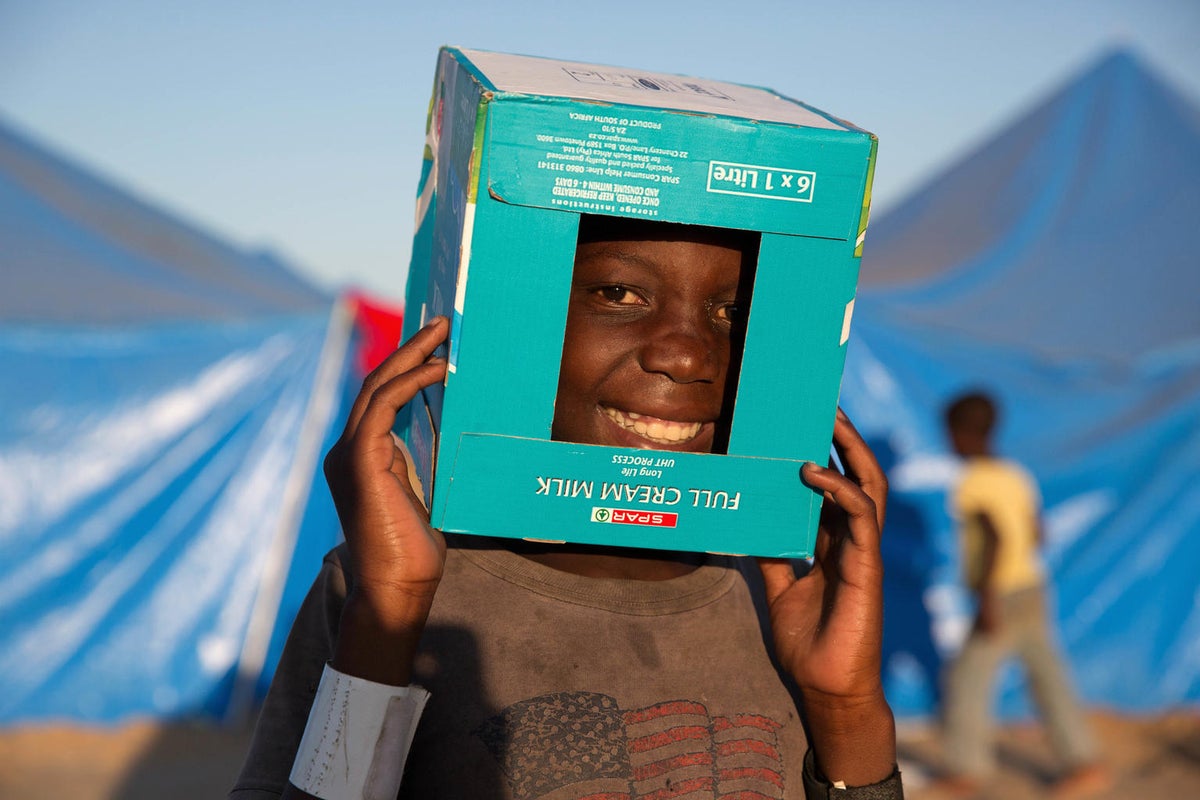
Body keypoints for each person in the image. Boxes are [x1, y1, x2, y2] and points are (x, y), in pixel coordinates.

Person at [231, 217, 903, 799]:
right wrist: (389, 615)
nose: (687, 354)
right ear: (515, 326)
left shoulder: (779, 595)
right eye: (619, 293)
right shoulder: (385, 589)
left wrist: (844, 705)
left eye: (733, 313)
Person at [938, 391, 1109, 798]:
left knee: (969, 680)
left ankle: (967, 769)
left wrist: (988, 598)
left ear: (961, 434)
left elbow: (995, 536)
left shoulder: (973, 482)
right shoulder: (1014, 474)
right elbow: (1036, 530)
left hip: (1000, 596)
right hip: (1031, 587)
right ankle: (1085, 763)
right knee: (1047, 674)